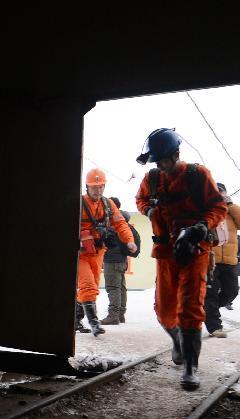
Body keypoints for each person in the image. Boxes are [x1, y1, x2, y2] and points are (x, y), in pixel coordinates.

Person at [135, 128, 227, 390]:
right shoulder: (152, 179)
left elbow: (218, 206)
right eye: (157, 161)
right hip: (165, 251)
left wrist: (201, 226)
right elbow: (140, 200)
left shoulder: (198, 175)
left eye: (164, 160)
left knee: (190, 306)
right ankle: (177, 340)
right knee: (164, 310)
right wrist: (150, 209)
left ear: (176, 154)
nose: (161, 166)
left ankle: (190, 366)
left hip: (194, 250)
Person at [77, 169, 137, 336]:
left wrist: (129, 241)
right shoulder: (79, 203)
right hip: (81, 253)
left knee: (92, 286)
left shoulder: (108, 204)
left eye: (101, 186)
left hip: (98, 252)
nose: (98, 190)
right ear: (87, 187)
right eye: (95, 187)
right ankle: (94, 324)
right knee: (88, 285)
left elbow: (121, 224)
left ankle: (75, 319)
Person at [203, 183, 240, 337]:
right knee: (210, 294)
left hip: (230, 260)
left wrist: (230, 205)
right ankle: (215, 327)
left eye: (221, 192)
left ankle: (208, 309)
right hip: (210, 260)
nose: (218, 195)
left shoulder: (231, 210)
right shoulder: (206, 209)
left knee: (231, 291)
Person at [100, 196, 131, 325]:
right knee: (121, 287)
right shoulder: (124, 220)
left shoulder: (112, 221)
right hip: (122, 259)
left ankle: (113, 316)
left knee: (113, 288)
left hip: (112, 259)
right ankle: (121, 314)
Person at [224, 234, 240, 310]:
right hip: (219, 266)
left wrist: (238, 257)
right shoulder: (219, 234)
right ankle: (216, 304)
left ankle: (227, 301)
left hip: (233, 267)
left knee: (234, 289)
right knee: (218, 287)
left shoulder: (238, 237)